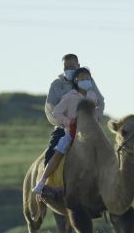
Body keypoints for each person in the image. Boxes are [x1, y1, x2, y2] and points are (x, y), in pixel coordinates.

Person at [33, 67, 102, 198]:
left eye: (88, 78)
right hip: (72, 133)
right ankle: (42, 182)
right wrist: (68, 120)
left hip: (90, 133)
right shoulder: (70, 97)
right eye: (83, 78)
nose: (86, 81)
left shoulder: (92, 96)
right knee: (59, 152)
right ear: (76, 80)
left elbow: (95, 111)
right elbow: (56, 112)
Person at [43, 54, 105, 167]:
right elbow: (51, 108)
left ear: (78, 65)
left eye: (72, 67)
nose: (69, 70)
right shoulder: (56, 84)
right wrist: (66, 121)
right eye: (66, 68)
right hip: (65, 129)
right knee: (50, 153)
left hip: (89, 127)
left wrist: (96, 118)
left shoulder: (88, 81)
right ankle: (46, 182)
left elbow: (100, 101)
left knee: (106, 151)